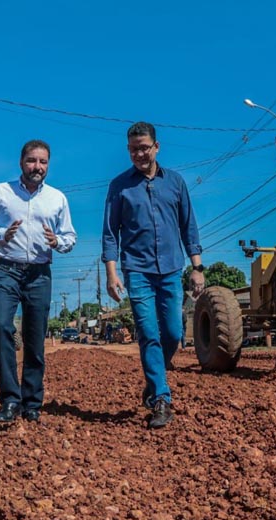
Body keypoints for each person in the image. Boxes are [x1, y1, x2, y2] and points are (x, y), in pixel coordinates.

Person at [102, 121, 204, 429]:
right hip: (137, 270)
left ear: (156, 147)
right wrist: (111, 273)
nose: (139, 154)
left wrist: (197, 267)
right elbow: (110, 234)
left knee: (173, 333)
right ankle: (162, 398)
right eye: (133, 149)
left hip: (172, 269)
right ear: (128, 150)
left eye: (144, 148)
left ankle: (153, 379)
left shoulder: (175, 182)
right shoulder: (119, 186)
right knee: (147, 332)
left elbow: (189, 226)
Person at [0, 140, 77, 423]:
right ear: (21, 162)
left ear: (48, 165)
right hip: (6, 270)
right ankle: (9, 400)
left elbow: (70, 237)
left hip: (39, 274)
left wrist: (57, 242)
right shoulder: (0, 192)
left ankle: (32, 402)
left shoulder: (57, 198)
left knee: (34, 339)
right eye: (32, 161)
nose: (37, 167)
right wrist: (1, 235)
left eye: (43, 162)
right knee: (1, 327)